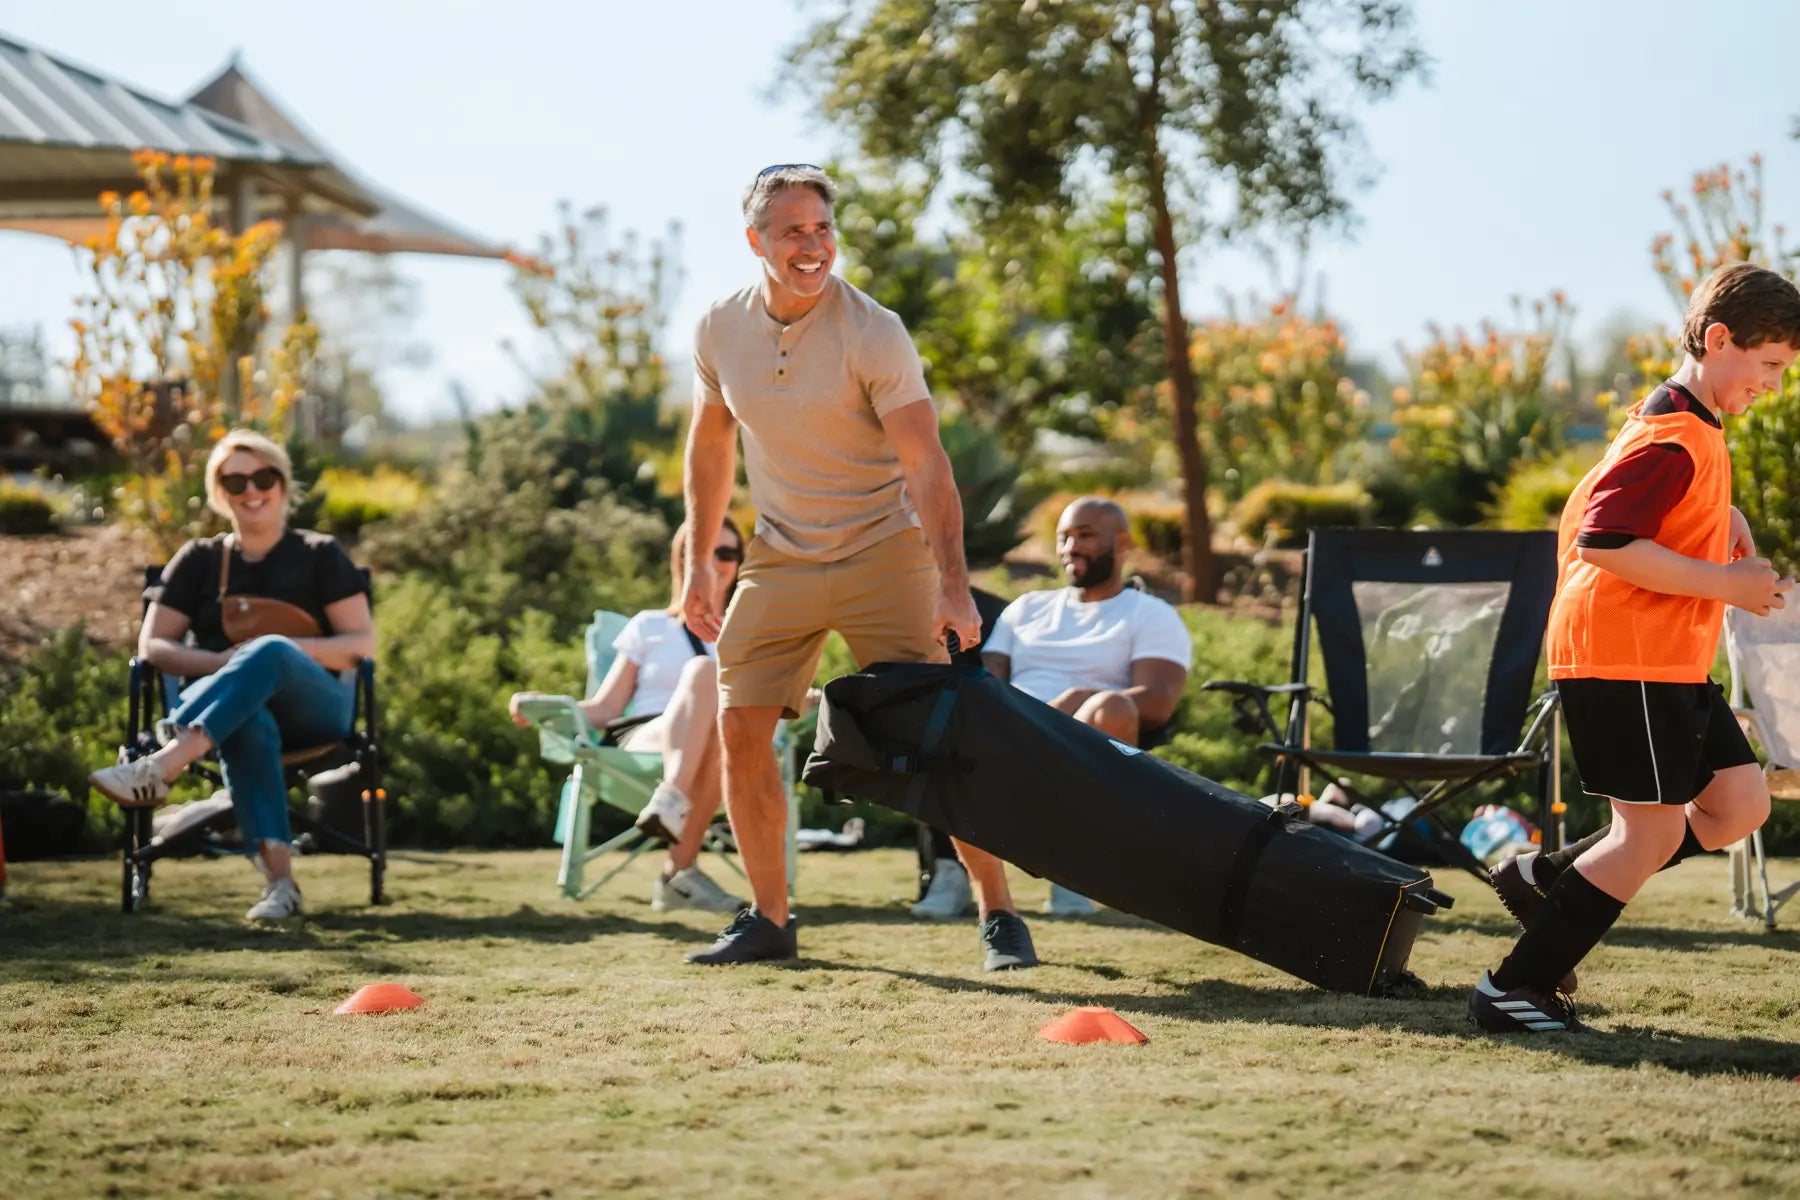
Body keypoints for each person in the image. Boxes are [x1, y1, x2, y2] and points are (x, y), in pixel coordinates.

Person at [680, 163, 1034, 970]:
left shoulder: (873, 330)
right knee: (739, 723)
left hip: (885, 549)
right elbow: (709, 445)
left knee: (937, 729)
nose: (813, 245)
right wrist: (700, 561)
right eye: (794, 230)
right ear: (756, 242)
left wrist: (951, 582)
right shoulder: (717, 328)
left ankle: (997, 910)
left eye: (823, 228)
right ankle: (769, 917)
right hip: (780, 555)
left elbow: (927, 462)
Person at [1469, 263, 1800, 1033]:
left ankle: (1544, 877)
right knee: (1646, 833)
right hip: (1626, 654)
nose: (1777, 387)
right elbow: (1607, 540)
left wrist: (1724, 512)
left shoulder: (1685, 418)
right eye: (1771, 367)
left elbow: (1631, 503)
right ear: (1720, 340)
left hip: (1666, 659)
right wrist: (1725, 583)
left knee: (1739, 804)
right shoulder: (1673, 432)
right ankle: (1514, 987)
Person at [88, 430, 375, 921]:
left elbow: (359, 645)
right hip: (225, 711)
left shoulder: (319, 554)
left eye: (262, 476)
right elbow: (154, 647)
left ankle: (163, 765)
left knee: (271, 652)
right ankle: (281, 885)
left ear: (282, 483)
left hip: (314, 710)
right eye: (234, 480)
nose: (250, 489)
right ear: (220, 491)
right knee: (250, 718)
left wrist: (276, 653)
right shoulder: (198, 560)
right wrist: (234, 665)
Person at [949, 497, 1190, 918]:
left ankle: (1077, 872)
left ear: (1123, 543)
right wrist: (1029, 716)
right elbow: (988, 682)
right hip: (1016, 729)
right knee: (951, 715)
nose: (1070, 548)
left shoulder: (1150, 614)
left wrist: (1081, 701)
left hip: (1092, 743)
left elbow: (1157, 702)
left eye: (1085, 535)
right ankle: (955, 879)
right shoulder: (1026, 609)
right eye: (1063, 537)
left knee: (1109, 706)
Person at [509, 519, 749, 914]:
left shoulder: (748, 634)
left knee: (723, 730)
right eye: (705, 551)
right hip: (645, 735)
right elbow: (605, 709)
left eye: (727, 553)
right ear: (683, 560)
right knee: (704, 674)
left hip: (723, 741)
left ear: (739, 563)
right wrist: (547, 704)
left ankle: (676, 866)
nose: (716, 562)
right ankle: (674, 826)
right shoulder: (650, 626)